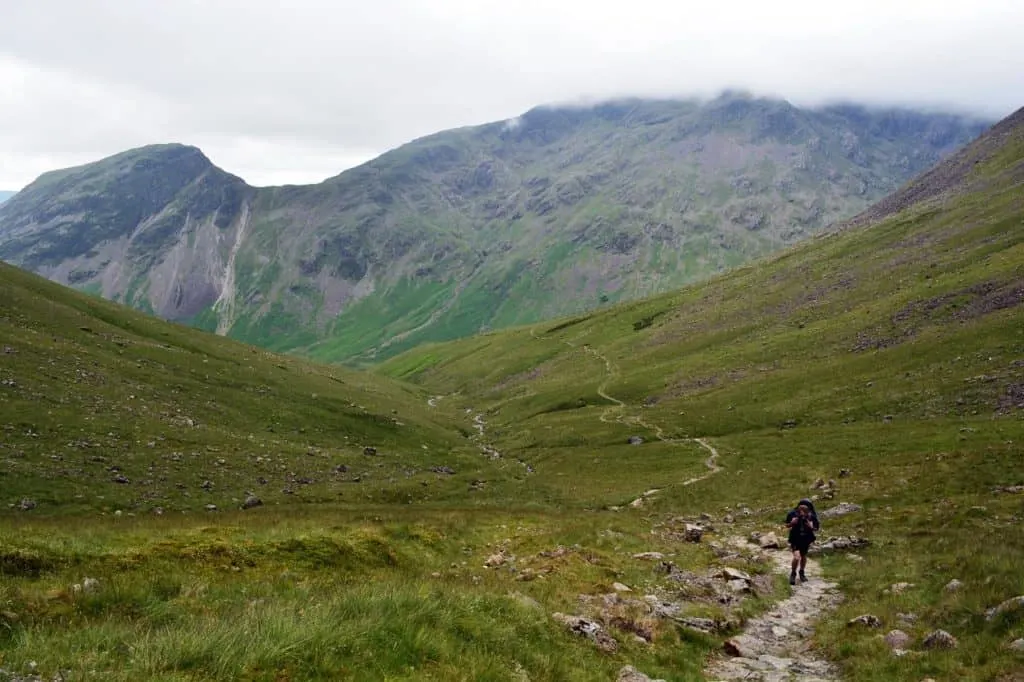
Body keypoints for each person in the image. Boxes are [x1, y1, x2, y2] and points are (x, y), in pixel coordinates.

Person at [785, 498, 819, 585]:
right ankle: (793, 574)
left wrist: (811, 526)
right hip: (795, 538)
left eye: (805, 509)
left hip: (806, 539)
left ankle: (802, 572)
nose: (802, 511)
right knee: (796, 557)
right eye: (801, 508)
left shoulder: (812, 516)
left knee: (803, 556)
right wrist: (792, 523)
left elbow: (816, 528)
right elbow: (787, 525)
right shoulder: (792, 514)